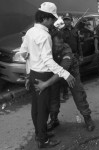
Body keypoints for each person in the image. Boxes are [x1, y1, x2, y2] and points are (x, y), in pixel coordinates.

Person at [18, 2, 75, 149]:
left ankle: (40, 133)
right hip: (42, 75)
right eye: (52, 19)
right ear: (45, 18)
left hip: (33, 74)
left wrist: (28, 74)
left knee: (36, 108)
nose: (53, 22)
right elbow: (48, 60)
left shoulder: (30, 32)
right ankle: (42, 140)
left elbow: (24, 54)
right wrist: (65, 73)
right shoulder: (45, 35)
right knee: (43, 109)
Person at [34, 31, 95, 132]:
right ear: (52, 43)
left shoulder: (67, 50)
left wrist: (45, 84)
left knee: (79, 95)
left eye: (61, 45)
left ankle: (87, 118)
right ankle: (54, 120)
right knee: (53, 97)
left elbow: (64, 68)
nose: (59, 48)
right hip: (55, 74)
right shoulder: (47, 48)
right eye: (57, 45)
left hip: (70, 74)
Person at [60, 12, 81, 100]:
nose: (66, 22)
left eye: (68, 20)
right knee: (66, 74)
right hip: (66, 56)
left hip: (75, 55)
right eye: (65, 20)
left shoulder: (75, 30)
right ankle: (65, 92)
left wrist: (81, 55)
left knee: (76, 73)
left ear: (71, 20)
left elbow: (78, 43)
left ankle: (76, 90)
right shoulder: (61, 31)